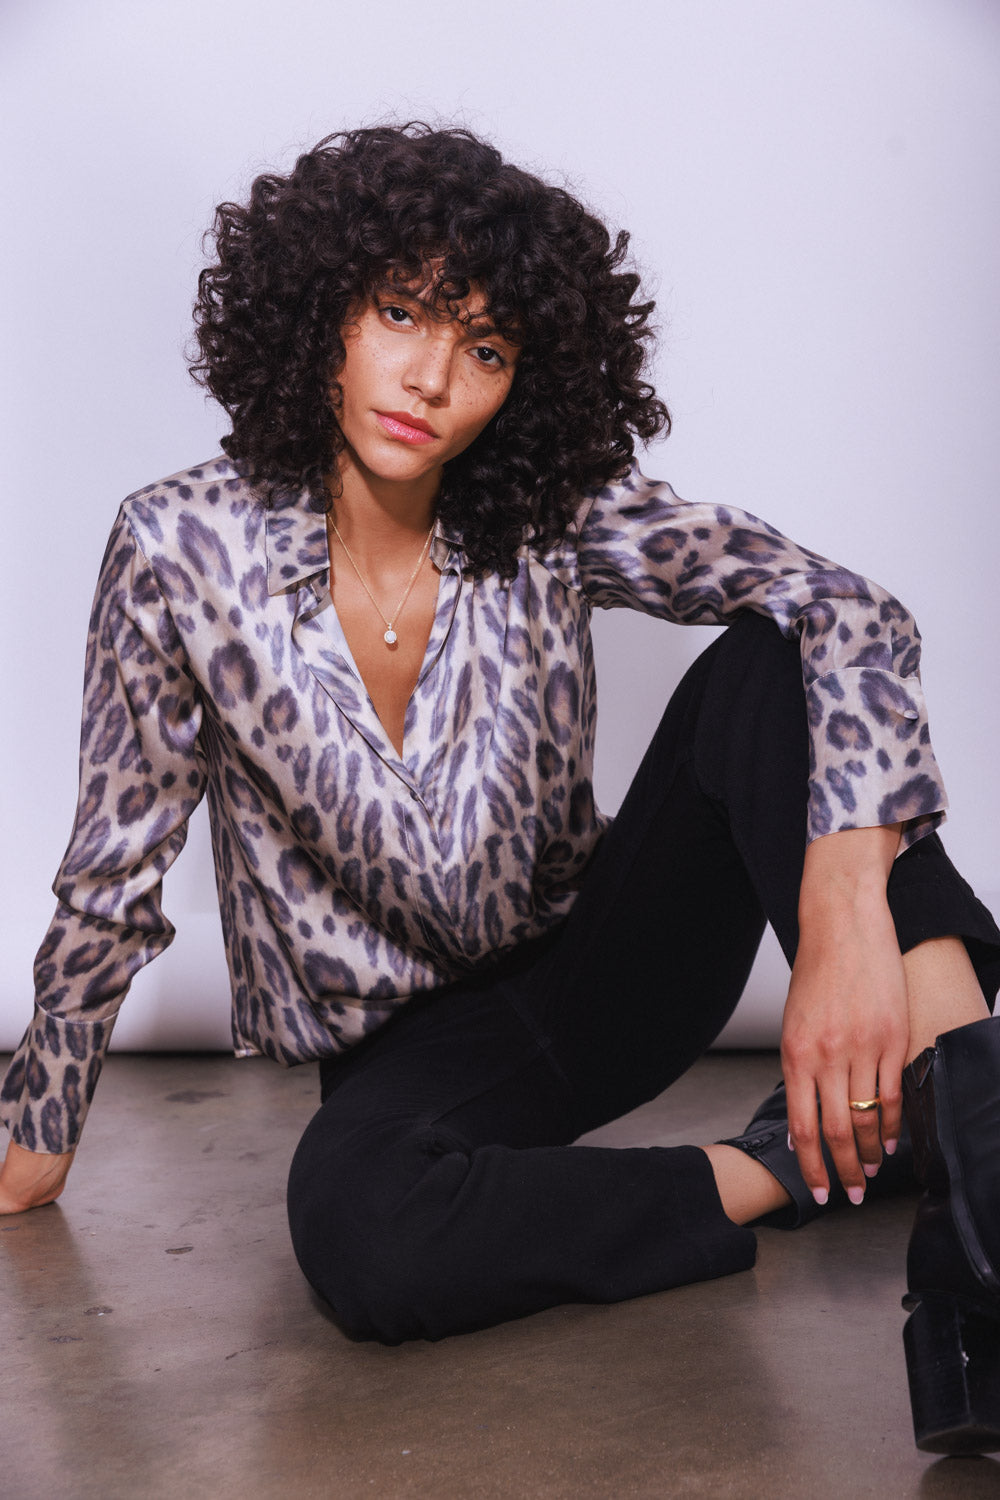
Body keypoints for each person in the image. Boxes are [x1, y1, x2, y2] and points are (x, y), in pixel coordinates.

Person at [1, 124, 998, 1455]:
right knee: (359, 1230)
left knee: (774, 657)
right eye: (400, 311)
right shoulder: (179, 546)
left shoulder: (542, 510)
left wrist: (842, 914)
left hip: (601, 970)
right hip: (409, 1045)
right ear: (322, 310)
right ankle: (797, 1165)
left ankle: (977, 1199)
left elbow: (846, 605)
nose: (428, 379)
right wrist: (42, 1117)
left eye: (486, 349)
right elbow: (119, 859)